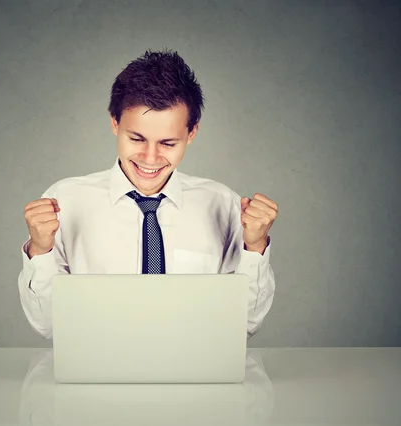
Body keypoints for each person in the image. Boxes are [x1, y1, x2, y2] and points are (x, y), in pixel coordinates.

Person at [17, 49, 278, 340]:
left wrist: (254, 247)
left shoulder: (222, 205)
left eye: (168, 143)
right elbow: (47, 326)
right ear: (115, 122)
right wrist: (40, 250)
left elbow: (245, 325)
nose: (150, 158)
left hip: (195, 375)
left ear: (191, 133)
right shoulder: (64, 202)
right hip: (98, 375)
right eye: (136, 138)